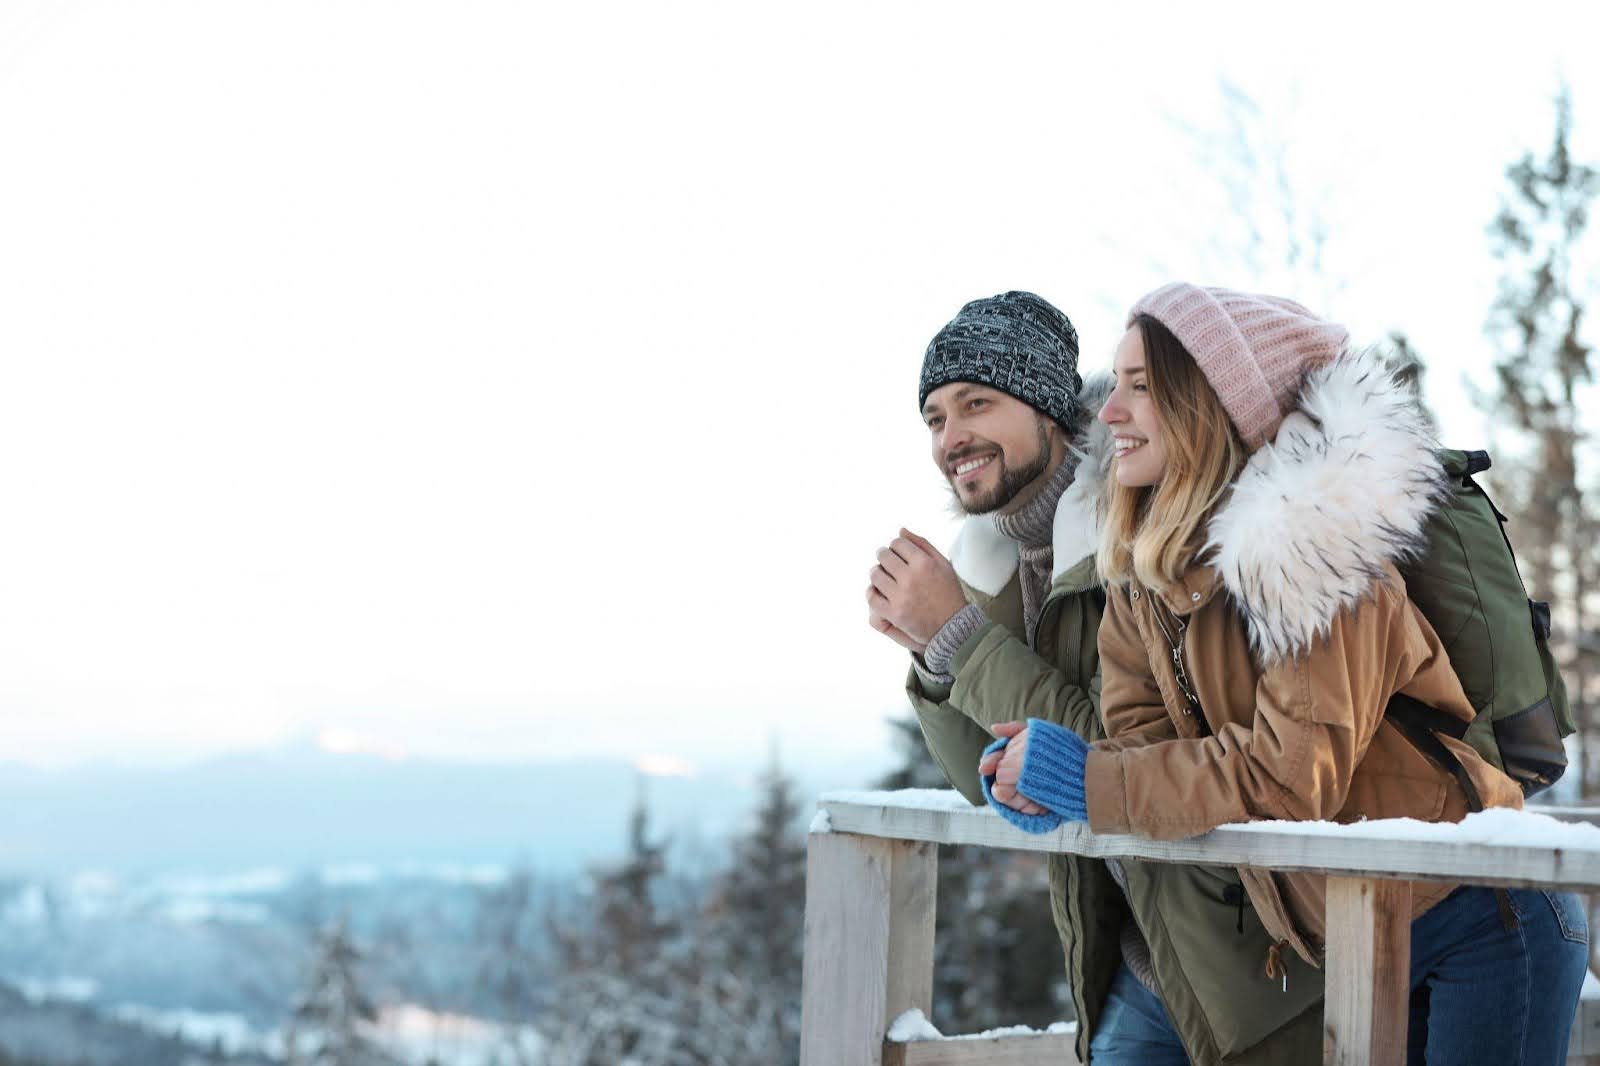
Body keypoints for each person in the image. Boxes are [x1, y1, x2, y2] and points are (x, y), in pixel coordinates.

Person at [981, 283, 1590, 1065]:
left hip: (1484, 928)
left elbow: (1289, 779)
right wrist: (1061, 780)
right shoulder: (1142, 577)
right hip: (1350, 938)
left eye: (1141, 386)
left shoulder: (1322, 553)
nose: (1108, 413)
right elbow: (1139, 755)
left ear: (1209, 402)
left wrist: (1090, 783)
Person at [864, 290, 1127, 1062]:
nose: (953, 437)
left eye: (976, 403)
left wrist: (956, 631)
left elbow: (1113, 755)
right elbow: (982, 777)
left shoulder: (1129, 533)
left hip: (1234, 946)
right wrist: (932, 650)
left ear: (1049, 409)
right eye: (936, 417)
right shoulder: (1002, 558)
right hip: (1129, 950)